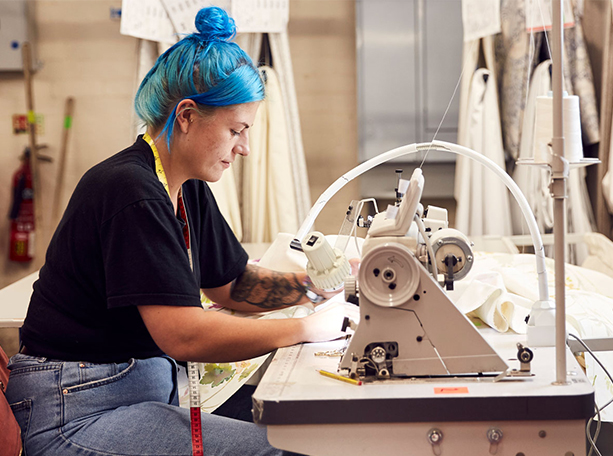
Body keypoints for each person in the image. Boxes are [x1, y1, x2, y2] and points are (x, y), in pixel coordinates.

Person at [5, 7, 357, 456]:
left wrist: (329, 283)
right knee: (286, 449)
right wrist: (306, 329)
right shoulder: (131, 191)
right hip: (74, 412)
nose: (245, 148)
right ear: (187, 116)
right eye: (236, 130)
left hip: (129, 394)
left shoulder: (184, 189)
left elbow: (234, 285)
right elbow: (184, 335)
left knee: (298, 426)